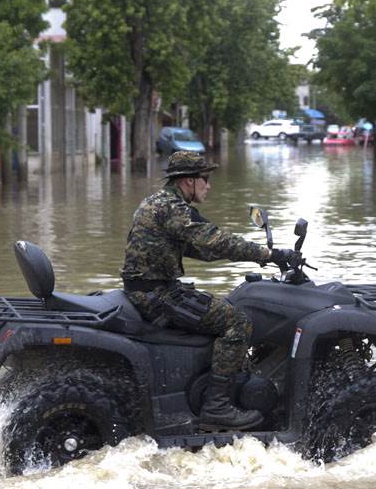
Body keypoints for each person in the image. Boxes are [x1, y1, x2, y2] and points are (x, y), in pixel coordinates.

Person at [121, 150, 298, 431]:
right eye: (205, 179)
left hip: (149, 290)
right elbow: (215, 240)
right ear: (188, 181)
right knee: (237, 322)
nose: (209, 185)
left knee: (223, 306)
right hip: (157, 295)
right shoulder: (172, 209)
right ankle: (217, 407)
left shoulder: (158, 203)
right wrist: (269, 254)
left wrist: (248, 254)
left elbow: (200, 248)